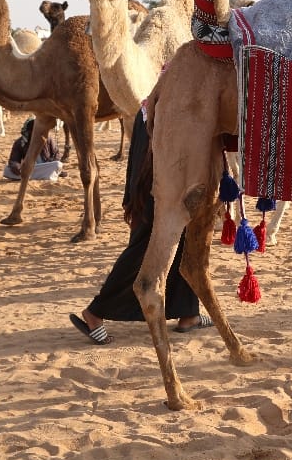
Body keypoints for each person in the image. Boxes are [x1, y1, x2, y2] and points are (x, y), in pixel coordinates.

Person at [69, 110, 212, 344]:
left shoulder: (160, 99)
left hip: (169, 158)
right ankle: (96, 311)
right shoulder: (170, 101)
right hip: (162, 172)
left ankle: (189, 313)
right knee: (146, 247)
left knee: (184, 239)